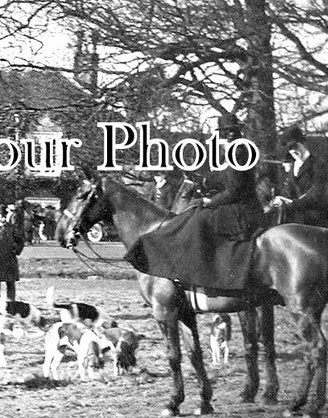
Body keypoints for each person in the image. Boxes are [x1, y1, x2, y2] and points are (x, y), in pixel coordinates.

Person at [125, 114, 262, 291]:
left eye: (230, 132)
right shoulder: (235, 149)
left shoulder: (239, 151)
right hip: (237, 205)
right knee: (192, 212)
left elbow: (235, 190)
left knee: (198, 219)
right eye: (227, 133)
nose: (228, 136)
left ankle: (205, 274)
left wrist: (210, 202)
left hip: (242, 210)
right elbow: (225, 178)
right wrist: (201, 180)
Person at [272, 125, 328, 227]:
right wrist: (281, 199)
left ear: (302, 143)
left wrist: (292, 204)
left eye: (295, 146)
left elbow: (316, 195)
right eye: (289, 149)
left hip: (317, 221)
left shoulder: (318, 164)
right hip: (297, 221)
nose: (292, 151)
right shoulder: (293, 167)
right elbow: (288, 191)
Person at [0, 206, 25, 301]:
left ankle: (11, 302)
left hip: (9, 258)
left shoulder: (11, 227)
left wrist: (16, 251)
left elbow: (20, 241)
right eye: (0, 216)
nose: (2, 218)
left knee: (10, 282)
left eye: (4, 216)